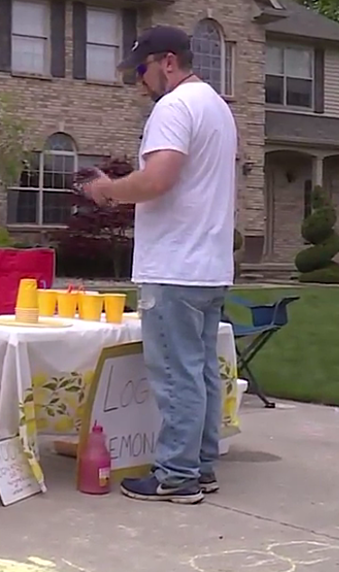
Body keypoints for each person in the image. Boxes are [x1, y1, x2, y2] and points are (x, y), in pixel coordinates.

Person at [80, 25, 237, 505]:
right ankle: (200, 464)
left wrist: (107, 190)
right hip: (209, 264)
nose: (140, 83)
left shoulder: (173, 107)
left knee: (175, 374)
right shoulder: (217, 106)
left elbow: (157, 180)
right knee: (201, 370)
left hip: (175, 265)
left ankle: (176, 475)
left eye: (142, 71)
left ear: (168, 61)